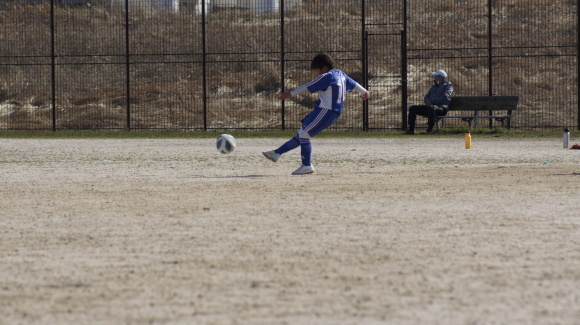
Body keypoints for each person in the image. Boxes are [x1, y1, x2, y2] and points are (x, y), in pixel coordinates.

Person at [262, 53, 370, 175]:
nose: (317, 73)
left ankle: (306, 165)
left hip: (326, 110)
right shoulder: (340, 74)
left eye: (317, 70)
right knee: (302, 133)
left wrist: (291, 93)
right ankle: (277, 153)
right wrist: (365, 91)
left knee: (304, 134)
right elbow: (353, 84)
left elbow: (308, 86)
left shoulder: (326, 76)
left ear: (323, 67)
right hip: (332, 111)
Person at [403, 70, 453, 135]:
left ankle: (430, 129)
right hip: (430, 107)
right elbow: (426, 96)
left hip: (441, 109)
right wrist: (427, 101)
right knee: (412, 108)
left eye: (436, 76)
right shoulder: (433, 87)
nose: (434, 78)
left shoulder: (448, 86)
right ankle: (411, 129)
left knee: (432, 108)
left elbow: (446, 98)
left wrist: (431, 102)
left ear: (440, 77)